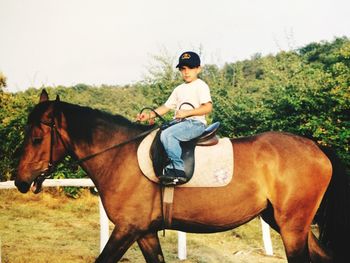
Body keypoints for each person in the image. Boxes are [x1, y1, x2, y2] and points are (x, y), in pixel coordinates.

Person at [137, 51, 212, 185]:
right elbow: (165, 107)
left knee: (168, 135)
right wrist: (148, 115)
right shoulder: (179, 89)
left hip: (195, 123)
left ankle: (177, 169)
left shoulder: (201, 86)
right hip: (180, 123)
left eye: (190, 68)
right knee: (158, 133)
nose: (186, 72)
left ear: (198, 69)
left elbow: (207, 108)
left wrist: (187, 113)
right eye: (183, 69)